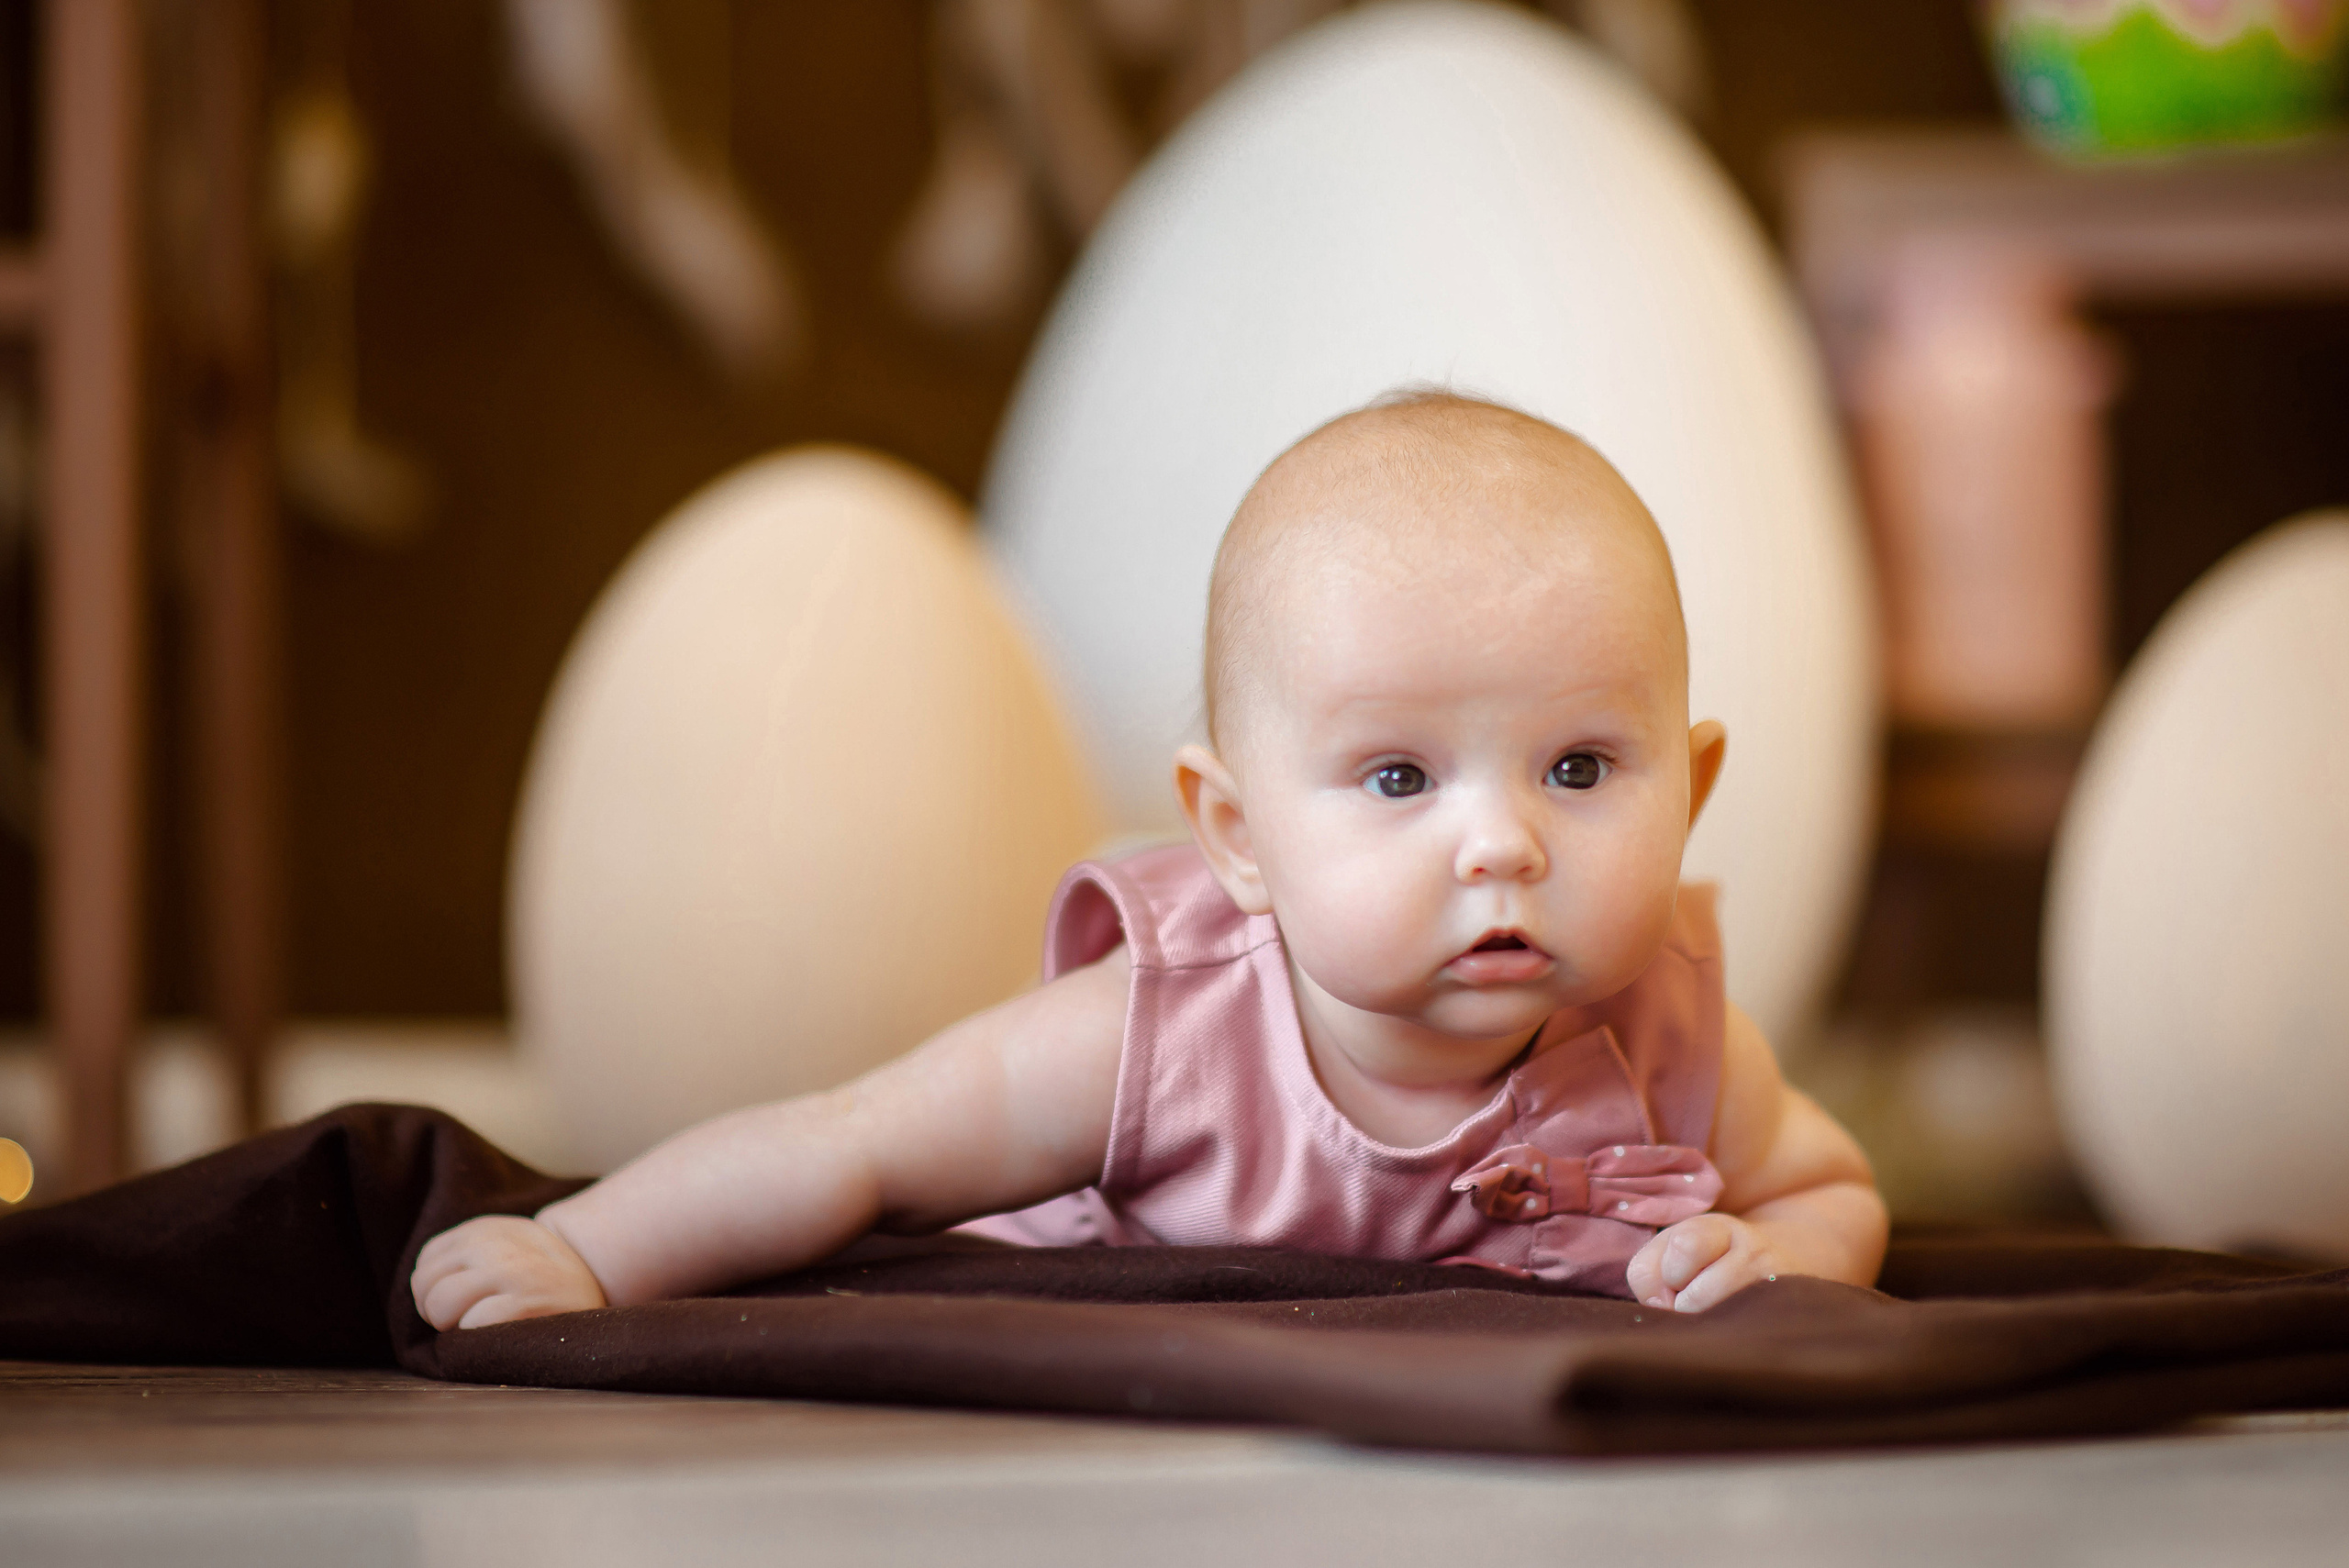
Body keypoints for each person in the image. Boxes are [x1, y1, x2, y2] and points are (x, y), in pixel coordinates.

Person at [413, 392, 1887, 1331]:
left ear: (1690, 791)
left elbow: (1832, 1187)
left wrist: (1784, 1258)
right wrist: (589, 1253)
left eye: (1579, 769)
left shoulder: (1672, 1029)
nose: (1503, 841)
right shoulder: (1159, 1036)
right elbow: (850, 1143)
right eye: (1398, 777)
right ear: (1238, 837)